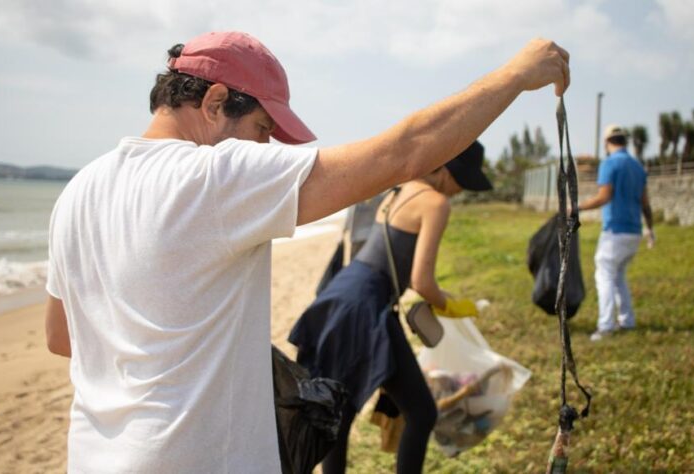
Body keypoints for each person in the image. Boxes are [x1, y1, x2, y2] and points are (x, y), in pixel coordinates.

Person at [43, 31, 570, 473]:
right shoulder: (214, 177)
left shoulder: (78, 193)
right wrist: (514, 77)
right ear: (214, 102)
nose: (265, 150)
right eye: (262, 130)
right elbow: (402, 153)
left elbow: (63, 338)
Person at [289, 141, 491, 474]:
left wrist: (444, 297)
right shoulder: (436, 203)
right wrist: (451, 306)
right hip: (364, 306)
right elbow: (422, 281)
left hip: (346, 293)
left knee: (340, 409)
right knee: (419, 412)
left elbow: (394, 263)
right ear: (449, 171)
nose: (459, 192)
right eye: (462, 181)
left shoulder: (401, 189)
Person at [579, 124, 654, 342]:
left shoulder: (610, 164)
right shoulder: (637, 167)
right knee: (618, 276)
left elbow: (604, 197)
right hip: (634, 232)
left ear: (606, 142)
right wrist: (650, 228)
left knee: (604, 275)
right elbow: (645, 203)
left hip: (615, 231)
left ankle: (605, 326)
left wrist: (576, 208)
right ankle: (627, 321)